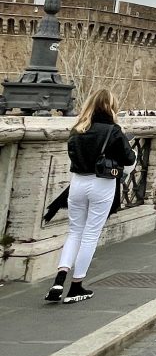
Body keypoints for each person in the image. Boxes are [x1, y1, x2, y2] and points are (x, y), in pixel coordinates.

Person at [46, 89, 136, 304]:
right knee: (90, 234)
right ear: (111, 107)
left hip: (78, 183)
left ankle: (59, 280)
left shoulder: (78, 129)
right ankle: (76, 286)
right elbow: (129, 159)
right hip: (101, 184)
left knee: (74, 232)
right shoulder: (113, 130)